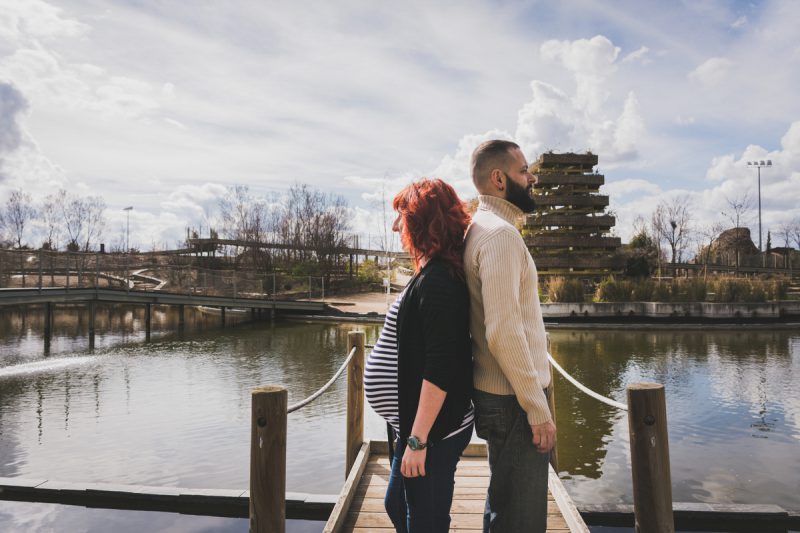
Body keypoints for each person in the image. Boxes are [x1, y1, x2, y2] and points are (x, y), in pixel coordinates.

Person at [364, 178, 474, 533]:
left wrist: (418, 440)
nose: (396, 226)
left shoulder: (439, 281)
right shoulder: (430, 273)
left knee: (425, 522)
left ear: (422, 223)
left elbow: (441, 368)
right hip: (413, 425)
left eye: (402, 217)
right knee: (397, 505)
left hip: (433, 432)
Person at [464, 140, 556, 533]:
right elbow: (502, 332)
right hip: (514, 400)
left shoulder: (480, 227)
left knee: (504, 504)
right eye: (523, 171)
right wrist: (537, 407)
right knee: (521, 520)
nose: (532, 178)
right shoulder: (500, 236)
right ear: (499, 179)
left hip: (502, 394)